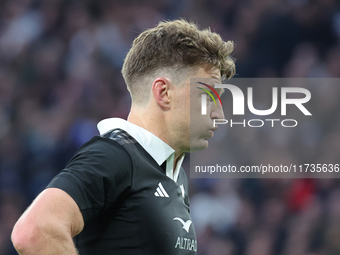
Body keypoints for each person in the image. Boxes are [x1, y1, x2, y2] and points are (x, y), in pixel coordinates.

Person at [11, 19, 235, 255]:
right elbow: (34, 231)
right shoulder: (115, 155)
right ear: (163, 93)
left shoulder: (174, 175)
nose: (218, 114)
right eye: (208, 97)